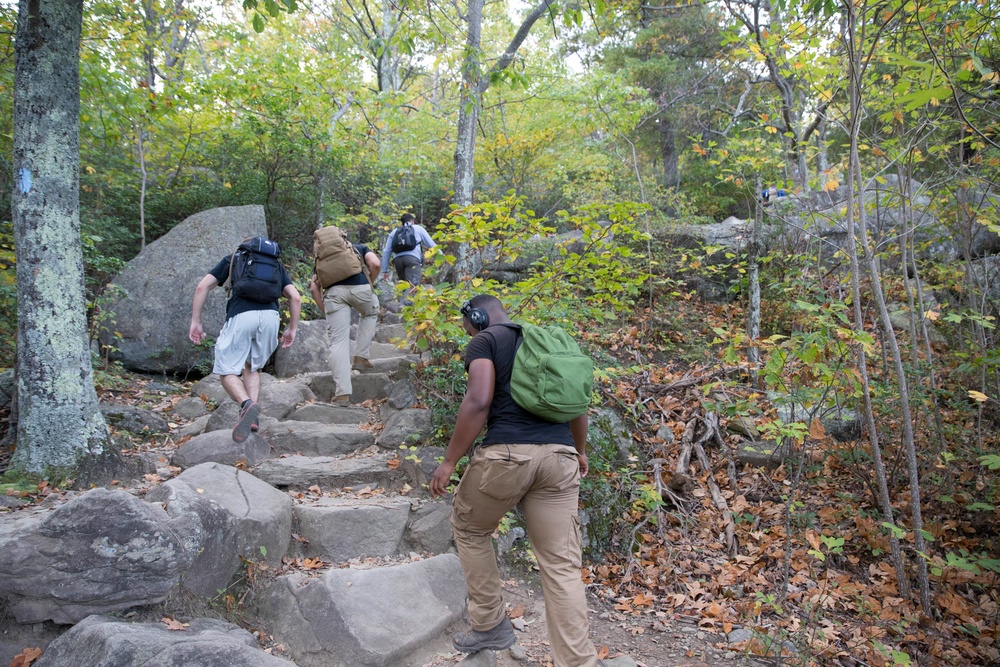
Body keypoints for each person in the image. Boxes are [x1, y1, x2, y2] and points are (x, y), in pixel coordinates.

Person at [429, 295, 604, 667]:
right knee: (560, 564)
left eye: (467, 327)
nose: (468, 333)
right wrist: (580, 450)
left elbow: (478, 400)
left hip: (507, 456)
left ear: (476, 317)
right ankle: (579, 662)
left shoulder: (487, 340)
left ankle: (490, 623)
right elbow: (578, 404)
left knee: (471, 528)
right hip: (560, 460)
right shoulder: (551, 342)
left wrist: (449, 462)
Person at [189, 240, 301, 443]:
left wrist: (196, 321)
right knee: (253, 367)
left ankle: (246, 404)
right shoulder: (275, 265)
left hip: (241, 315)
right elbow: (295, 298)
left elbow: (202, 287)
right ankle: (252, 418)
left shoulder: (234, 259)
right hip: (270, 317)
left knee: (227, 370)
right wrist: (292, 328)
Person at [309, 240, 381, 405]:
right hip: (361, 289)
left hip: (333, 295)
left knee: (338, 342)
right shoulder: (357, 248)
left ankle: (342, 393)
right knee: (371, 311)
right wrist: (369, 281)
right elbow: (375, 264)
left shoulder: (321, 257)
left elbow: (314, 288)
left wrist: (326, 310)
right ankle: (361, 356)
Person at [380, 213, 437, 289]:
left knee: (404, 287)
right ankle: (406, 301)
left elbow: (387, 251)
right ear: (412, 221)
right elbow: (431, 244)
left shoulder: (395, 232)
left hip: (398, 261)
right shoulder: (418, 228)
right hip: (412, 259)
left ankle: (404, 300)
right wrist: (442, 256)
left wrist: (384, 270)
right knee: (412, 288)